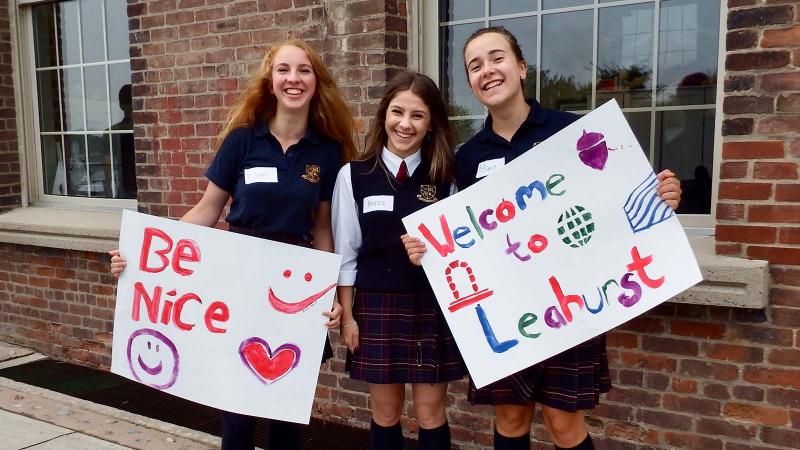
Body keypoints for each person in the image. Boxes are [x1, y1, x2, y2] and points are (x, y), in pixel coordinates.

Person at [402, 27, 682, 450]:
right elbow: (457, 237)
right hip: (507, 310)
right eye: (475, 66)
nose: (487, 71)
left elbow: (618, 199)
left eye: (496, 58)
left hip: (572, 305)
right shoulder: (468, 157)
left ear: (520, 67)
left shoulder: (574, 132)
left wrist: (662, 195)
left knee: (563, 424)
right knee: (511, 420)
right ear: (471, 83)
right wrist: (426, 249)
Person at [109, 38, 357, 450]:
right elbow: (207, 211)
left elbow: (323, 231)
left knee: (285, 410)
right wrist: (144, 252)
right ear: (270, 80)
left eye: (303, 70)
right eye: (283, 69)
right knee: (236, 410)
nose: (293, 78)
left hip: (296, 290)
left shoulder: (328, 153)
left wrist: (330, 293)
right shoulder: (243, 141)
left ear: (316, 81)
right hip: (240, 284)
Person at [332, 71, 466, 450]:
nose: (405, 124)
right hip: (375, 305)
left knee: (430, 414)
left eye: (418, 115)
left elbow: (460, 248)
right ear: (383, 116)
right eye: (397, 112)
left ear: (431, 123)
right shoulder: (353, 176)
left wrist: (435, 251)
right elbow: (346, 252)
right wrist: (348, 315)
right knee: (385, 413)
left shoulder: (445, 176)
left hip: (430, 305)